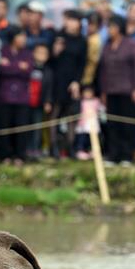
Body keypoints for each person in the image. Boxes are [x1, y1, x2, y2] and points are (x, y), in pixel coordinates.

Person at [100, 15, 135, 165]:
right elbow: (103, 70)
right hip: (111, 90)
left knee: (127, 124)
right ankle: (113, 155)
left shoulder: (131, 44)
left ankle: (126, 155)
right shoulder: (106, 46)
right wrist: (103, 91)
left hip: (127, 90)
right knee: (112, 124)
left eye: (112, 27)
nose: (109, 30)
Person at [48, 10, 86, 158]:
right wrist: (55, 52)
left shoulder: (82, 41)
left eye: (74, 20)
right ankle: (53, 147)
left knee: (72, 115)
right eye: (69, 20)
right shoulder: (58, 37)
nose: (71, 23)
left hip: (72, 81)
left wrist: (77, 81)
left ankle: (70, 146)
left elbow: (82, 64)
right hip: (57, 80)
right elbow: (49, 61)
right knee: (55, 113)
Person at [0, 26, 34, 164]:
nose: (23, 39)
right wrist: (19, 66)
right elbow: (1, 70)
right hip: (4, 95)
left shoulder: (27, 53)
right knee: (5, 126)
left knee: (21, 126)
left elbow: (28, 70)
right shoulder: (3, 51)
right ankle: (5, 154)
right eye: (20, 36)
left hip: (22, 96)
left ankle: (20, 155)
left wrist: (10, 65)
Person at [74, 85, 101, 160]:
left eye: (90, 92)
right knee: (82, 138)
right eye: (86, 93)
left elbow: (100, 110)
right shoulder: (81, 102)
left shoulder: (96, 101)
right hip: (83, 124)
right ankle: (81, 151)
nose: (88, 94)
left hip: (93, 124)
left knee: (93, 139)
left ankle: (93, 151)